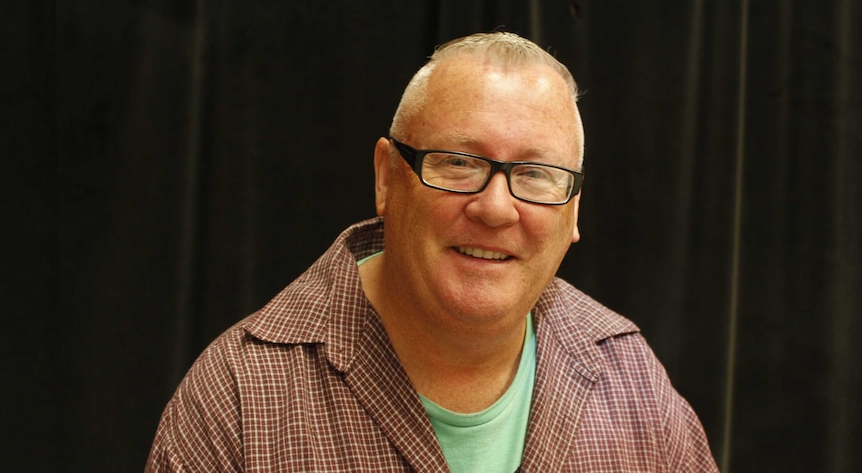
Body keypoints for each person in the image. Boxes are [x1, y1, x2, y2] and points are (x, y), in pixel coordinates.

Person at [147, 31, 719, 472]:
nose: (496, 209)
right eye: (459, 163)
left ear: (573, 211)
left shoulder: (633, 385)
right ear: (387, 179)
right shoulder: (239, 401)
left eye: (537, 174)